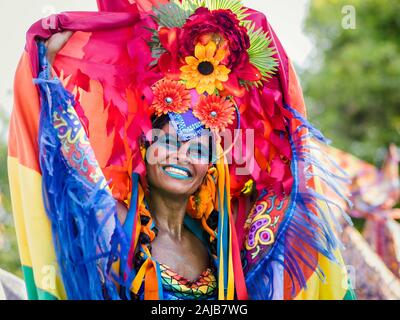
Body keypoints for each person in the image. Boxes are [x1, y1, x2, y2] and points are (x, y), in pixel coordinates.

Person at [8, 0, 356, 300]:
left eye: (199, 149)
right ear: (145, 146)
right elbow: (72, 175)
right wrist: (48, 77)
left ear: (212, 164)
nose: (183, 156)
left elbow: (287, 183)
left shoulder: (223, 237)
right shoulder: (116, 223)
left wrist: (281, 101)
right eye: (170, 142)